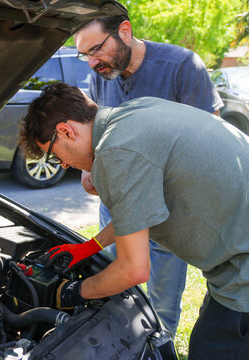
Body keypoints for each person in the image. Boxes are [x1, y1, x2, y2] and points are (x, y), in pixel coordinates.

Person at [19, 82, 249, 359]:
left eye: (56, 156)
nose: (64, 165)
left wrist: (74, 292)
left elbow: (134, 270)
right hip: (237, 255)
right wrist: (91, 246)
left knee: (210, 350)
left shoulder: (116, 152)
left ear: (65, 131)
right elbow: (140, 210)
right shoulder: (135, 112)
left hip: (242, 270)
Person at [72, 14, 223, 336]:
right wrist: (90, 170)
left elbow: (210, 139)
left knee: (161, 301)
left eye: (96, 49)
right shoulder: (102, 75)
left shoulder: (182, 65)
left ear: (124, 32)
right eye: (85, 55)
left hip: (168, 210)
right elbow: (97, 134)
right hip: (117, 205)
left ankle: (159, 345)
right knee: (111, 275)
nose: (92, 62)